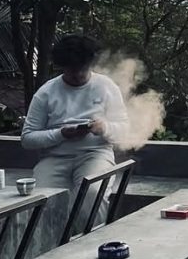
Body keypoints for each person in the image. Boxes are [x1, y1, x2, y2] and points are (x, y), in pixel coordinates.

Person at [20, 34, 129, 229]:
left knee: (92, 193)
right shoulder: (46, 92)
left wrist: (104, 128)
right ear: (62, 67)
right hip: (55, 158)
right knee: (41, 199)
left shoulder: (106, 87)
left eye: (82, 69)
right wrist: (61, 134)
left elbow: (124, 129)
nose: (78, 75)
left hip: (95, 154)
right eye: (72, 70)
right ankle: (50, 244)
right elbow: (27, 138)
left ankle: (95, 240)